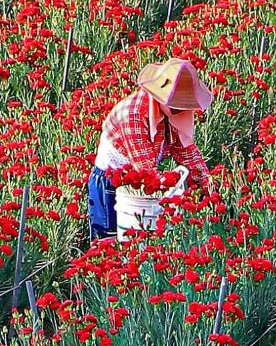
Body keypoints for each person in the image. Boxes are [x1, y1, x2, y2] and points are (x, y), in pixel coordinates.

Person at [89, 57, 214, 240]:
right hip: (110, 185)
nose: (182, 110)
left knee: (138, 246)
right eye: (176, 105)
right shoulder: (132, 115)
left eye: (185, 105)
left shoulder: (171, 111)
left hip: (136, 186)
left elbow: (186, 151)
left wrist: (209, 187)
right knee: (110, 245)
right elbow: (146, 171)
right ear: (159, 97)